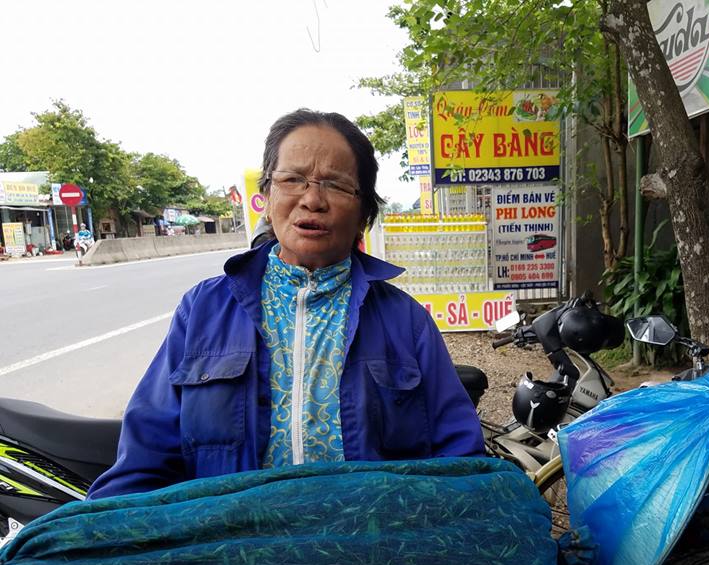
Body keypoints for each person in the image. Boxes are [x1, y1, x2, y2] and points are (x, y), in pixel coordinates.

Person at [87, 109, 484, 500]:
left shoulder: (405, 321)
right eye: (293, 179)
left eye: (336, 184)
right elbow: (144, 462)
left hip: (365, 554)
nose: (312, 199)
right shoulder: (203, 311)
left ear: (364, 211)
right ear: (267, 194)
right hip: (233, 554)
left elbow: (461, 462)